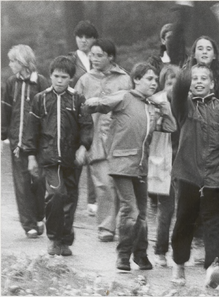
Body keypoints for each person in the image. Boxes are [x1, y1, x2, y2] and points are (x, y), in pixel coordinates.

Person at [83, 62, 177, 271]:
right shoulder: (125, 97)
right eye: (149, 79)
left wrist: (164, 107)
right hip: (121, 164)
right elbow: (95, 104)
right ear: (137, 80)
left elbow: (170, 127)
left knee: (142, 214)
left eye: (155, 80)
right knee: (131, 210)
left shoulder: (152, 106)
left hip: (141, 167)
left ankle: (140, 255)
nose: (154, 83)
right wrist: (93, 101)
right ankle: (123, 255)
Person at [169, 64, 219, 288]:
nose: (198, 82)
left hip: (216, 174)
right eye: (194, 79)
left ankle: (212, 267)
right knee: (185, 219)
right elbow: (176, 92)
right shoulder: (184, 106)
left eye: (203, 78)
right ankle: (179, 262)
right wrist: (184, 73)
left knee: (213, 221)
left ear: (212, 83)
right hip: (188, 173)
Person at [23, 56, 93, 256]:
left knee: (70, 198)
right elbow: (31, 130)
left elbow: (87, 126)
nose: (59, 80)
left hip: (72, 159)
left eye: (64, 77)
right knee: (56, 194)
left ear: (70, 78)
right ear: (50, 76)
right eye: (56, 76)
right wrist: (30, 156)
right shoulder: (40, 99)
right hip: (49, 158)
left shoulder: (78, 99)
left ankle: (65, 238)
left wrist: (83, 147)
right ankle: (54, 238)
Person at [75, 38, 132, 242]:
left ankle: (123, 225)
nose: (95, 59)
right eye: (92, 55)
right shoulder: (84, 81)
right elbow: (77, 112)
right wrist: (82, 142)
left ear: (111, 57)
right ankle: (106, 227)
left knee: (120, 185)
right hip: (96, 139)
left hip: (120, 140)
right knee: (103, 185)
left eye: (100, 55)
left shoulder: (124, 79)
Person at [1, 44, 49, 238]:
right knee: (21, 183)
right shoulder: (11, 83)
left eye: (13, 61)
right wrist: (3, 134)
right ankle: (28, 223)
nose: (10, 64)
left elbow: (48, 111)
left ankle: (39, 216)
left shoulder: (41, 82)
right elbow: (5, 111)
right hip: (17, 142)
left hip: (38, 143)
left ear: (23, 62)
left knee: (38, 180)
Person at [147, 64, 180, 267]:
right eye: (169, 82)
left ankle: (182, 249)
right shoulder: (156, 102)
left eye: (177, 83)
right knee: (166, 208)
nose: (173, 87)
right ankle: (160, 250)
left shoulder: (189, 102)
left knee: (186, 209)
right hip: (164, 160)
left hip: (184, 159)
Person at [68, 20, 99, 217]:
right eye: (80, 36)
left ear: (95, 39)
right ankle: (71, 198)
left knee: (96, 155)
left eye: (88, 37)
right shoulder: (70, 60)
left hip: (97, 113)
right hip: (76, 113)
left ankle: (94, 199)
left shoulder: (99, 57)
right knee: (77, 155)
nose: (84, 40)